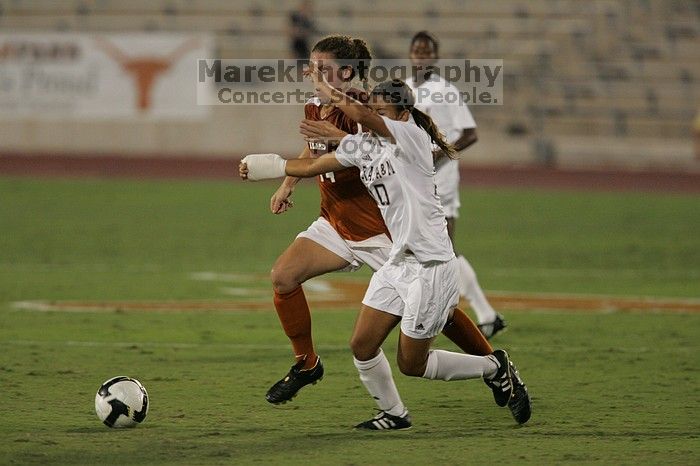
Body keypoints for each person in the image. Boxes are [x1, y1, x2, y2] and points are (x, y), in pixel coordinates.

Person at [239, 73, 531, 429]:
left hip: (431, 265)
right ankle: (393, 413)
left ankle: (496, 366)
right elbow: (314, 165)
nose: (372, 113)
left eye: (379, 109)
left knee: (412, 364)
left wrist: (326, 85)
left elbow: (363, 119)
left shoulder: (412, 136)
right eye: (372, 107)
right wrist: (267, 167)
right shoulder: (365, 146)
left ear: (402, 112)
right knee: (362, 345)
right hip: (398, 262)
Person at [264, 35, 496, 406]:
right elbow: (314, 150)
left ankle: (492, 361)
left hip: (381, 230)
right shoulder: (314, 105)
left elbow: (366, 147)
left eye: (321, 69)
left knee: (436, 309)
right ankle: (307, 364)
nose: (312, 74)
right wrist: (287, 184)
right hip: (335, 222)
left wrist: (335, 138)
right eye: (311, 67)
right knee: (283, 276)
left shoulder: (364, 107)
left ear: (346, 72)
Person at [407, 31, 506, 338]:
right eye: (417, 50)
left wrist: (442, 154)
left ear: (435, 57)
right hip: (415, 179)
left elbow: (470, 133)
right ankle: (468, 311)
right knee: (427, 246)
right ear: (410, 54)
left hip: (442, 180)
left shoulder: (445, 91)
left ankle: (478, 312)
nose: (422, 55)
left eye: (427, 51)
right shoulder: (406, 89)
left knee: (443, 246)